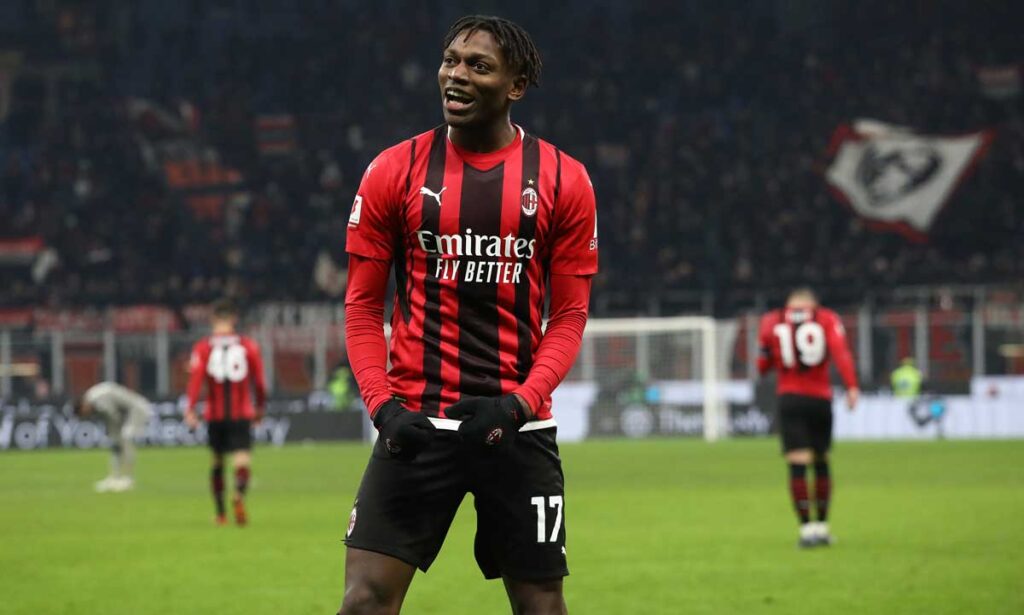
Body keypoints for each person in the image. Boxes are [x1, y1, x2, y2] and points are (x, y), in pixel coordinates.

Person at [339, 15, 597, 615]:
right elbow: (362, 307)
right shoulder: (392, 170)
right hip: (416, 425)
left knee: (541, 606)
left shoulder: (565, 179)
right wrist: (382, 408)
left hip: (519, 428)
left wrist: (519, 404)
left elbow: (569, 316)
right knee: (365, 601)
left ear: (516, 86)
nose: (456, 75)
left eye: (478, 66)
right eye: (450, 60)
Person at [758, 288, 859, 548]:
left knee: (797, 464)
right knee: (821, 460)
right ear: (813, 303)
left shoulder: (772, 320)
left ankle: (806, 530)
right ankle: (823, 528)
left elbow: (762, 365)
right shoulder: (825, 318)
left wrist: (773, 361)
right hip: (820, 398)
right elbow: (840, 352)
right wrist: (851, 387)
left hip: (790, 397)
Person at [185, 298, 267, 526]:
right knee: (242, 460)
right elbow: (260, 382)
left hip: (215, 414)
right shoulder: (248, 346)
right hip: (241, 413)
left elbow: (196, 380)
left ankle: (221, 515)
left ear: (213, 319)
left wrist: (190, 408)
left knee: (217, 462)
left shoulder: (203, 347)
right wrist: (260, 407)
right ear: (234, 318)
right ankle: (238, 494)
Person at [75, 382, 154, 493]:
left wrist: (113, 433)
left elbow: (113, 416)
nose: (86, 414)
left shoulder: (97, 399)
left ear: (83, 406)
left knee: (126, 439)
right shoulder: (92, 397)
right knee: (117, 443)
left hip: (137, 410)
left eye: (84, 413)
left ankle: (128, 479)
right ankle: (114, 478)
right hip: (127, 413)